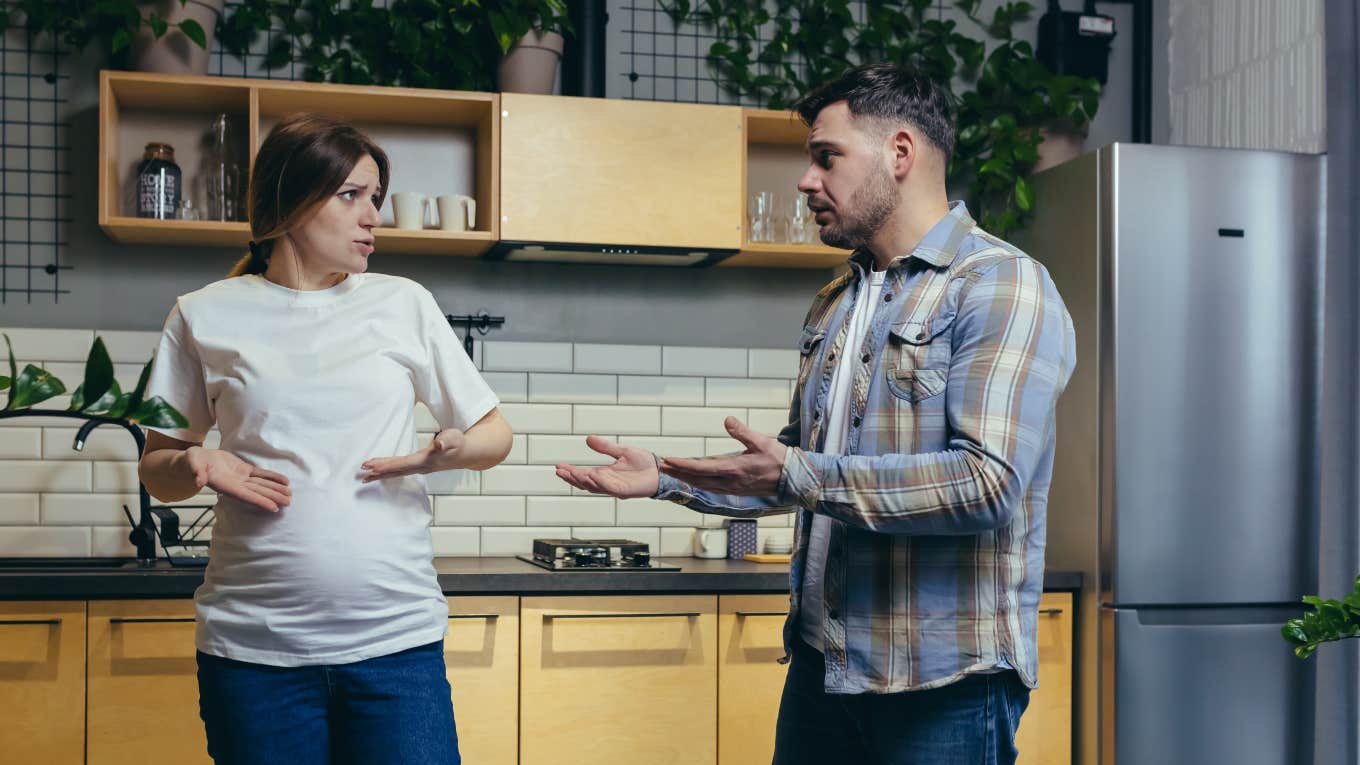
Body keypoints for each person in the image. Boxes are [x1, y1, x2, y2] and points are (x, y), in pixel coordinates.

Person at [556, 63, 1076, 764]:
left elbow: (986, 483)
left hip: (942, 684)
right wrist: (667, 478)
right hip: (821, 666)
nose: (806, 180)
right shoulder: (838, 298)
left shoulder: (1000, 284)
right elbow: (794, 467)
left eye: (825, 156)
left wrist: (801, 471)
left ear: (900, 153)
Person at [137, 112, 512, 765]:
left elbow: (495, 433)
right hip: (255, 658)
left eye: (375, 197)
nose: (373, 216)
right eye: (351, 196)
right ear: (292, 200)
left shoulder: (404, 303)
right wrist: (196, 461)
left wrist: (449, 447)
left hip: (398, 652)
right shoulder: (203, 314)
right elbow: (157, 469)